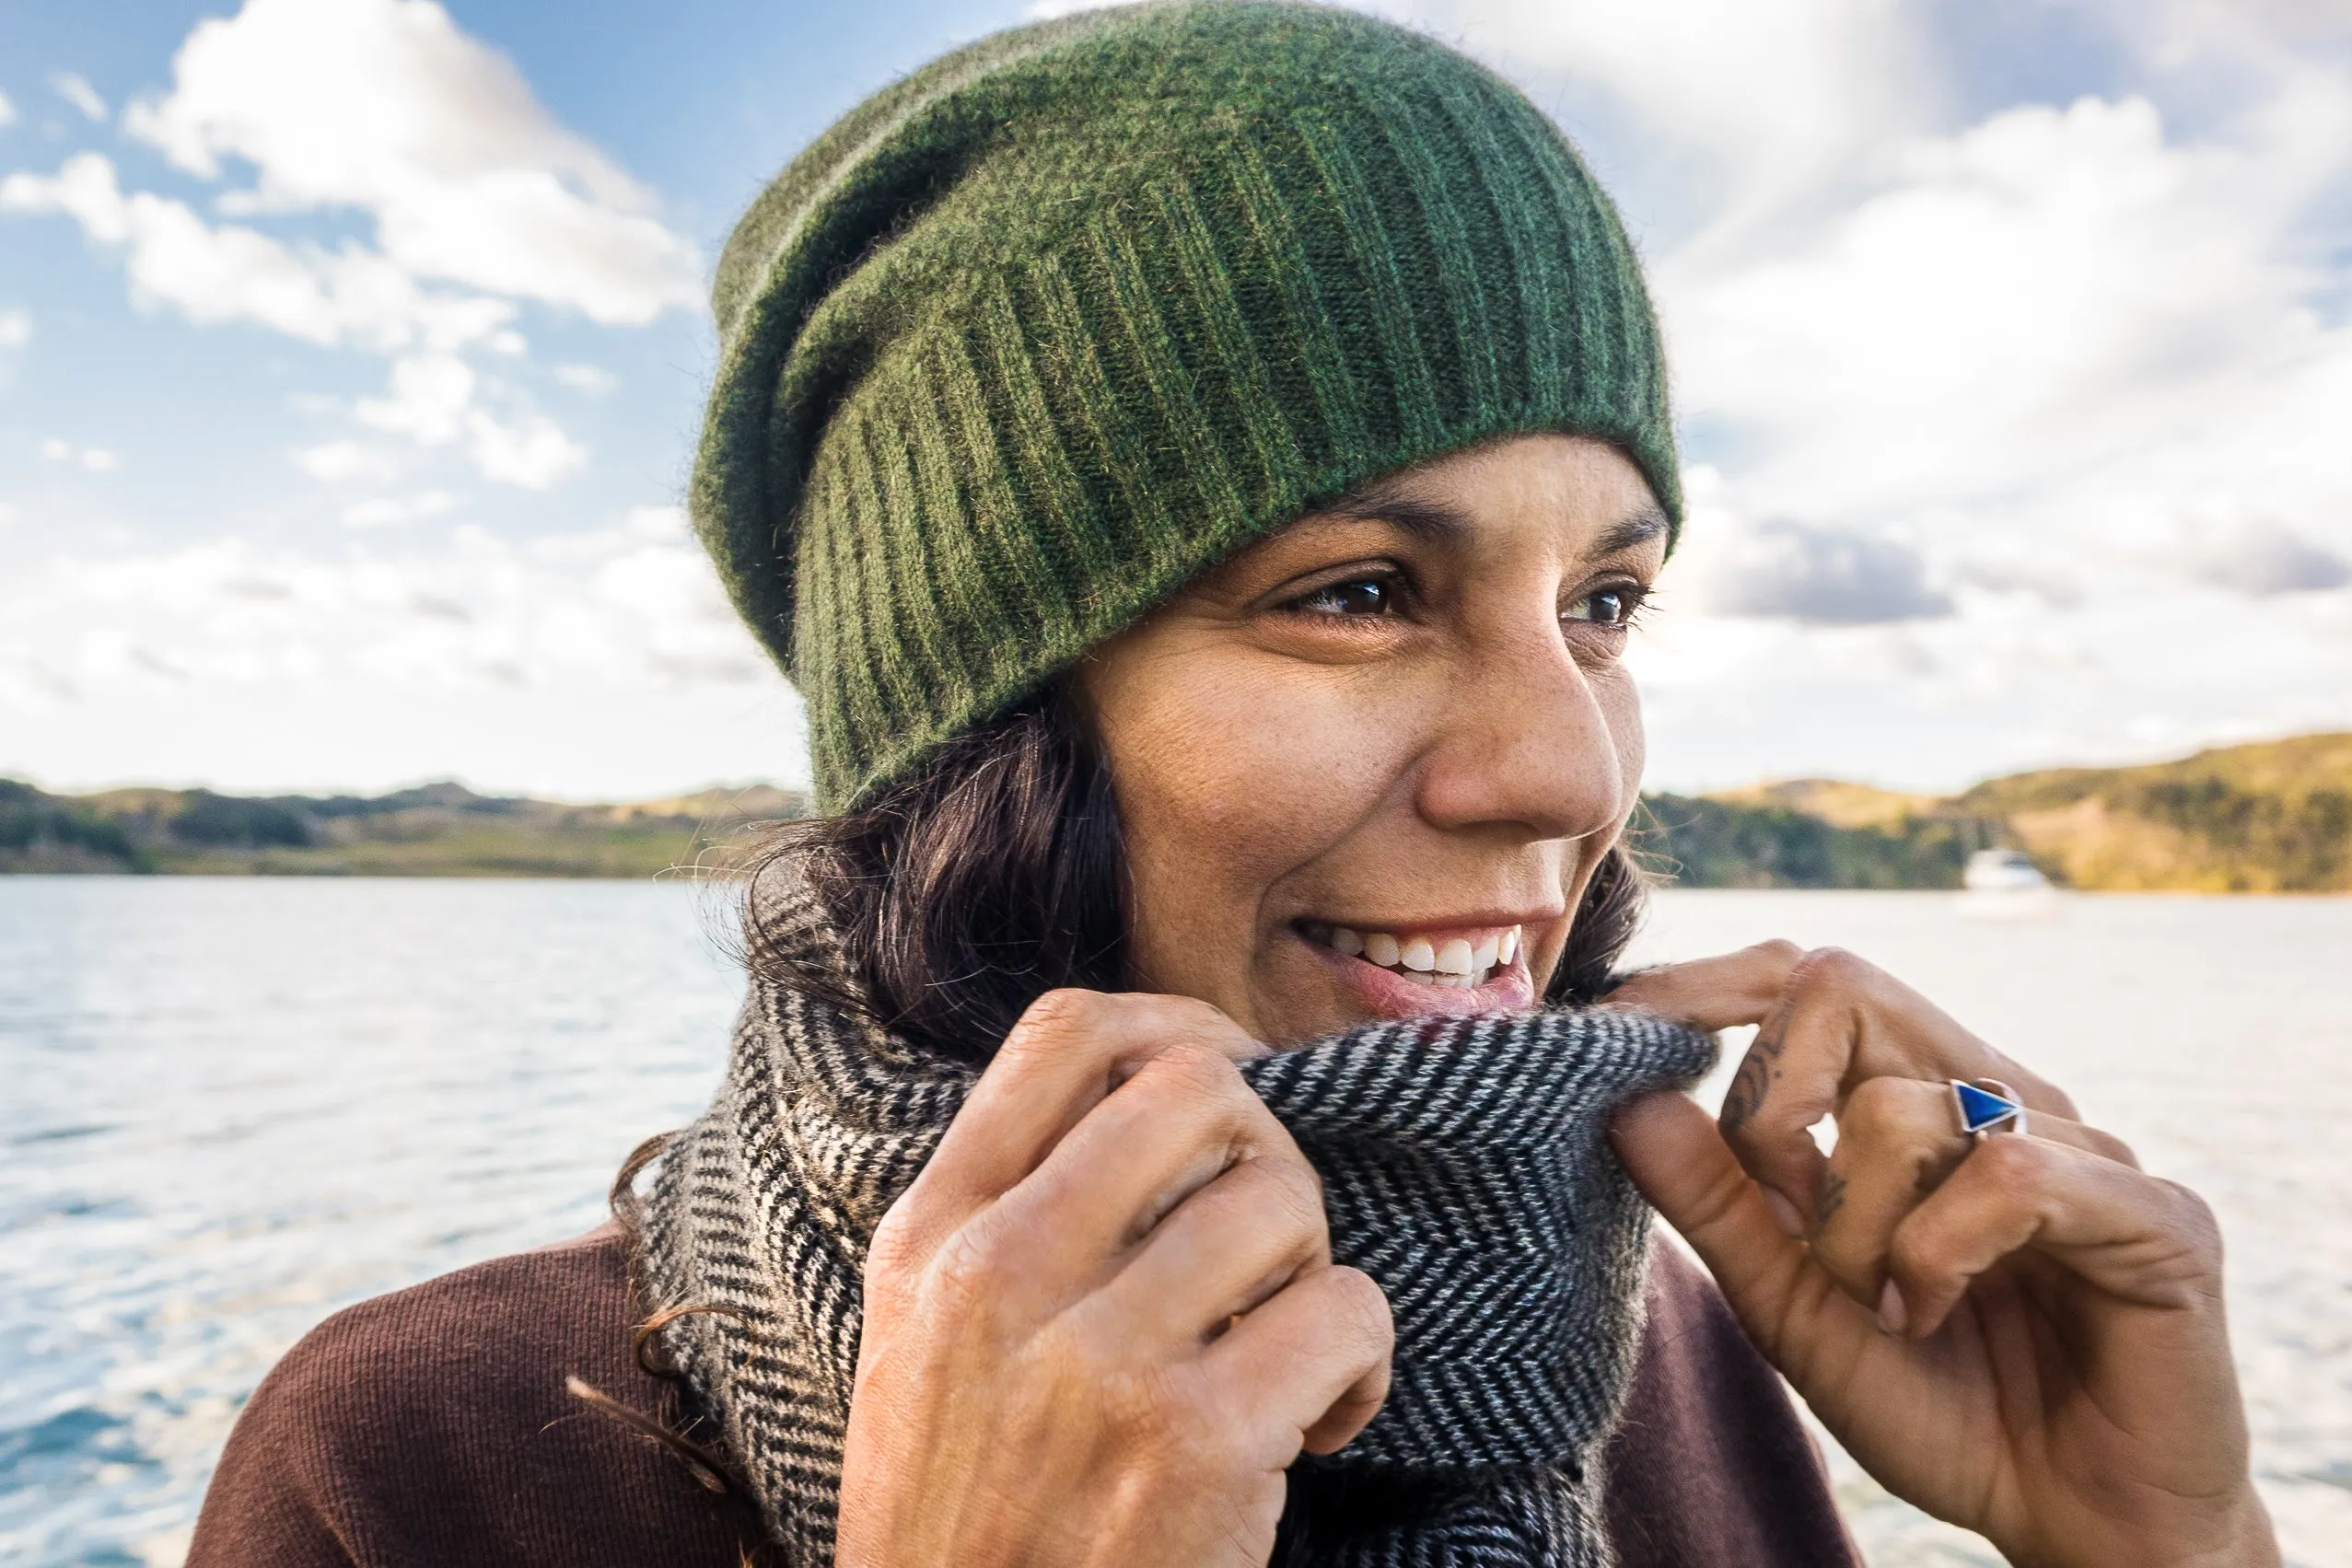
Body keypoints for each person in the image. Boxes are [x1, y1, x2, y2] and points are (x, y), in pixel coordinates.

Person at [188, 6, 2277, 1565]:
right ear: (974, 724)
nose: (1563, 767)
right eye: (1360, 592)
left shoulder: (1674, 1352)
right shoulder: (418, 1472)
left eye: (1608, 600)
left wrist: (2152, 1540)